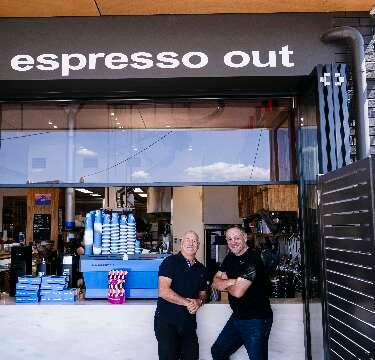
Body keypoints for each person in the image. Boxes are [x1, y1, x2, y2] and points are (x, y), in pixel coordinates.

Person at [211, 226, 273, 360]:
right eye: (230, 239)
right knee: (218, 352)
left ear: (245, 238)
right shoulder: (230, 257)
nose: (233, 242)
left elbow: (238, 292)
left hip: (256, 319)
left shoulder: (253, 259)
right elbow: (215, 281)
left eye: (237, 238)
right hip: (238, 317)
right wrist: (232, 282)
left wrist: (226, 282)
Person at [154, 230, 208, 360]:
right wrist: (188, 302)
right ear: (182, 243)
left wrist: (199, 302)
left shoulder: (201, 269)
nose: (191, 243)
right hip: (167, 322)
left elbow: (203, 293)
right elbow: (164, 291)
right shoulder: (170, 262)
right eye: (188, 240)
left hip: (188, 325)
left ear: (198, 245)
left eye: (194, 241)